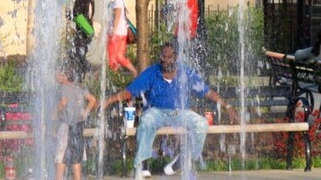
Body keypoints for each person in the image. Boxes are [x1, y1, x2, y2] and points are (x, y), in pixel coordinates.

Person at [99, 42, 237, 179]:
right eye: (163, 56)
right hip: (156, 111)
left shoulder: (186, 73)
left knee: (201, 123)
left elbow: (207, 92)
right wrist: (108, 100)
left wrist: (228, 107)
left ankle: (183, 159)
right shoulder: (152, 72)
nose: (165, 60)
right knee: (146, 121)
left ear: (175, 58)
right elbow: (130, 92)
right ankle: (142, 164)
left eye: (169, 56)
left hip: (179, 112)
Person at [55, 67, 97, 180]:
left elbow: (63, 102)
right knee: (76, 159)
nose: (56, 76)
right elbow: (93, 99)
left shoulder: (62, 88)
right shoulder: (78, 89)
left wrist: (55, 112)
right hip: (78, 127)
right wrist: (85, 113)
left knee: (61, 157)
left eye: (58, 74)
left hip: (67, 127)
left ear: (64, 76)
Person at [108, 0, 139, 75]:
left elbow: (117, 16)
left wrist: (113, 30)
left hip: (117, 33)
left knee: (112, 56)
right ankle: (134, 71)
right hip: (123, 32)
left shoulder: (117, 1)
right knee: (120, 56)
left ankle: (113, 76)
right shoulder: (123, 0)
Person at [71, 0, 97, 64]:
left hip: (81, 32)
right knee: (82, 55)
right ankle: (84, 73)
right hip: (89, 30)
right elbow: (91, 16)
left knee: (77, 57)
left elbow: (76, 15)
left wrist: (68, 13)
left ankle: (88, 69)